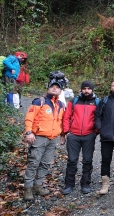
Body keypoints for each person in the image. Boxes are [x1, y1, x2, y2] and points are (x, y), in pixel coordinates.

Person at [23, 73, 66, 201]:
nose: (54, 88)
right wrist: (29, 132)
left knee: (45, 163)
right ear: (48, 88)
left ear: (60, 90)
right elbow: (29, 118)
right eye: (52, 86)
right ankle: (28, 188)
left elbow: (61, 122)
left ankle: (38, 185)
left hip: (53, 139)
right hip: (39, 138)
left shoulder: (61, 105)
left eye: (57, 87)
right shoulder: (39, 102)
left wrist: (63, 134)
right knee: (33, 163)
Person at [62, 81, 99, 195]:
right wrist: (67, 132)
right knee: (72, 160)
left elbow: (99, 117)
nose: (86, 90)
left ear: (92, 90)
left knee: (87, 160)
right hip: (74, 135)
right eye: (84, 88)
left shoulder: (97, 102)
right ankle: (69, 184)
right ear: (81, 89)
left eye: (89, 88)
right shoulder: (74, 102)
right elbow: (66, 117)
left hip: (89, 135)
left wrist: (95, 132)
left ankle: (85, 183)